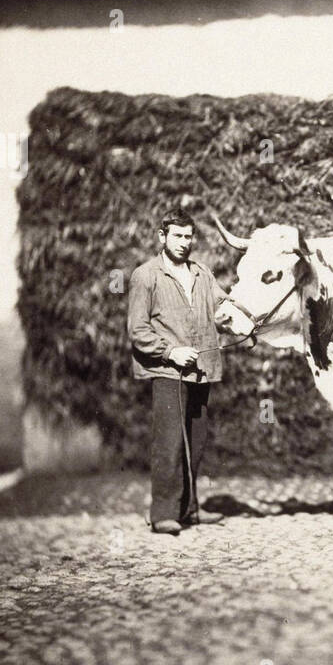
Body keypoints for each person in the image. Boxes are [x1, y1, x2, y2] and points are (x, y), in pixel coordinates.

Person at [126, 209, 229, 535]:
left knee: (195, 441)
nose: (184, 243)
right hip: (168, 371)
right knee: (169, 442)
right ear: (162, 237)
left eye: (188, 236)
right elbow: (138, 330)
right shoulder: (146, 276)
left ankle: (189, 509)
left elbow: (221, 304)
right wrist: (171, 351)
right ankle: (162, 514)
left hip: (202, 369)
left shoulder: (203, 273)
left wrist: (230, 315)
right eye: (177, 236)